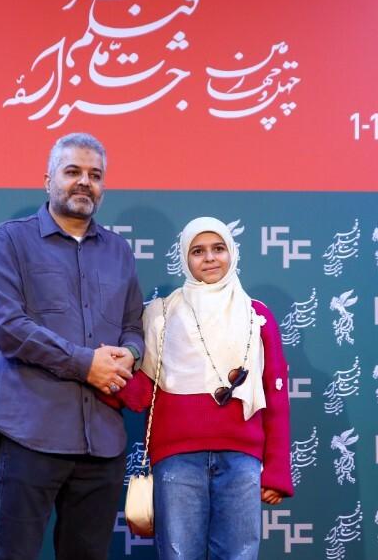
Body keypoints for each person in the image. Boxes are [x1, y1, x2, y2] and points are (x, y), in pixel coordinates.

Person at [0, 132, 145, 560]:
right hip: (32, 433)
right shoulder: (10, 241)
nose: (84, 182)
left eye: (95, 175)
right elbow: (9, 327)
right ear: (48, 179)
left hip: (103, 442)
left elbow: (134, 327)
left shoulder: (119, 251)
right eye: (72, 171)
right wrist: (85, 363)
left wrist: (131, 354)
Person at [105, 216, 293, 559]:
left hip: (242, 459)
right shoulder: (161, 314)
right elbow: (143, 390)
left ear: (232, 253)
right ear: (184, 258)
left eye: (218, 248)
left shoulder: (258, 316)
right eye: (198, 251)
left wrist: (277, 470)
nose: (209, 258)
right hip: (177, 459)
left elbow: (276, 397)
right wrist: (103, 376)